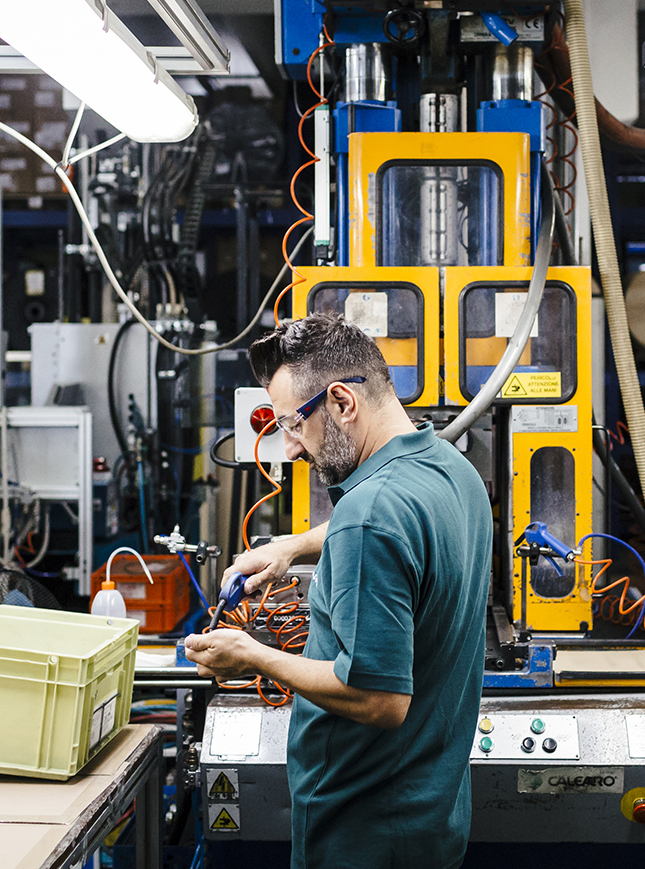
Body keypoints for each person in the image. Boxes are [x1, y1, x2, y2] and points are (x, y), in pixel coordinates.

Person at [183, 313, 491, 869]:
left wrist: (252, 656)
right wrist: (293, 546)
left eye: (293, 425)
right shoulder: (449, 468)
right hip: (430, 814)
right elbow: (395, 523)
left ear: (343, 402)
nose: (294, 448)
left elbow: (378, 699)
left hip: (362, 827)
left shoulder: (368, 518)